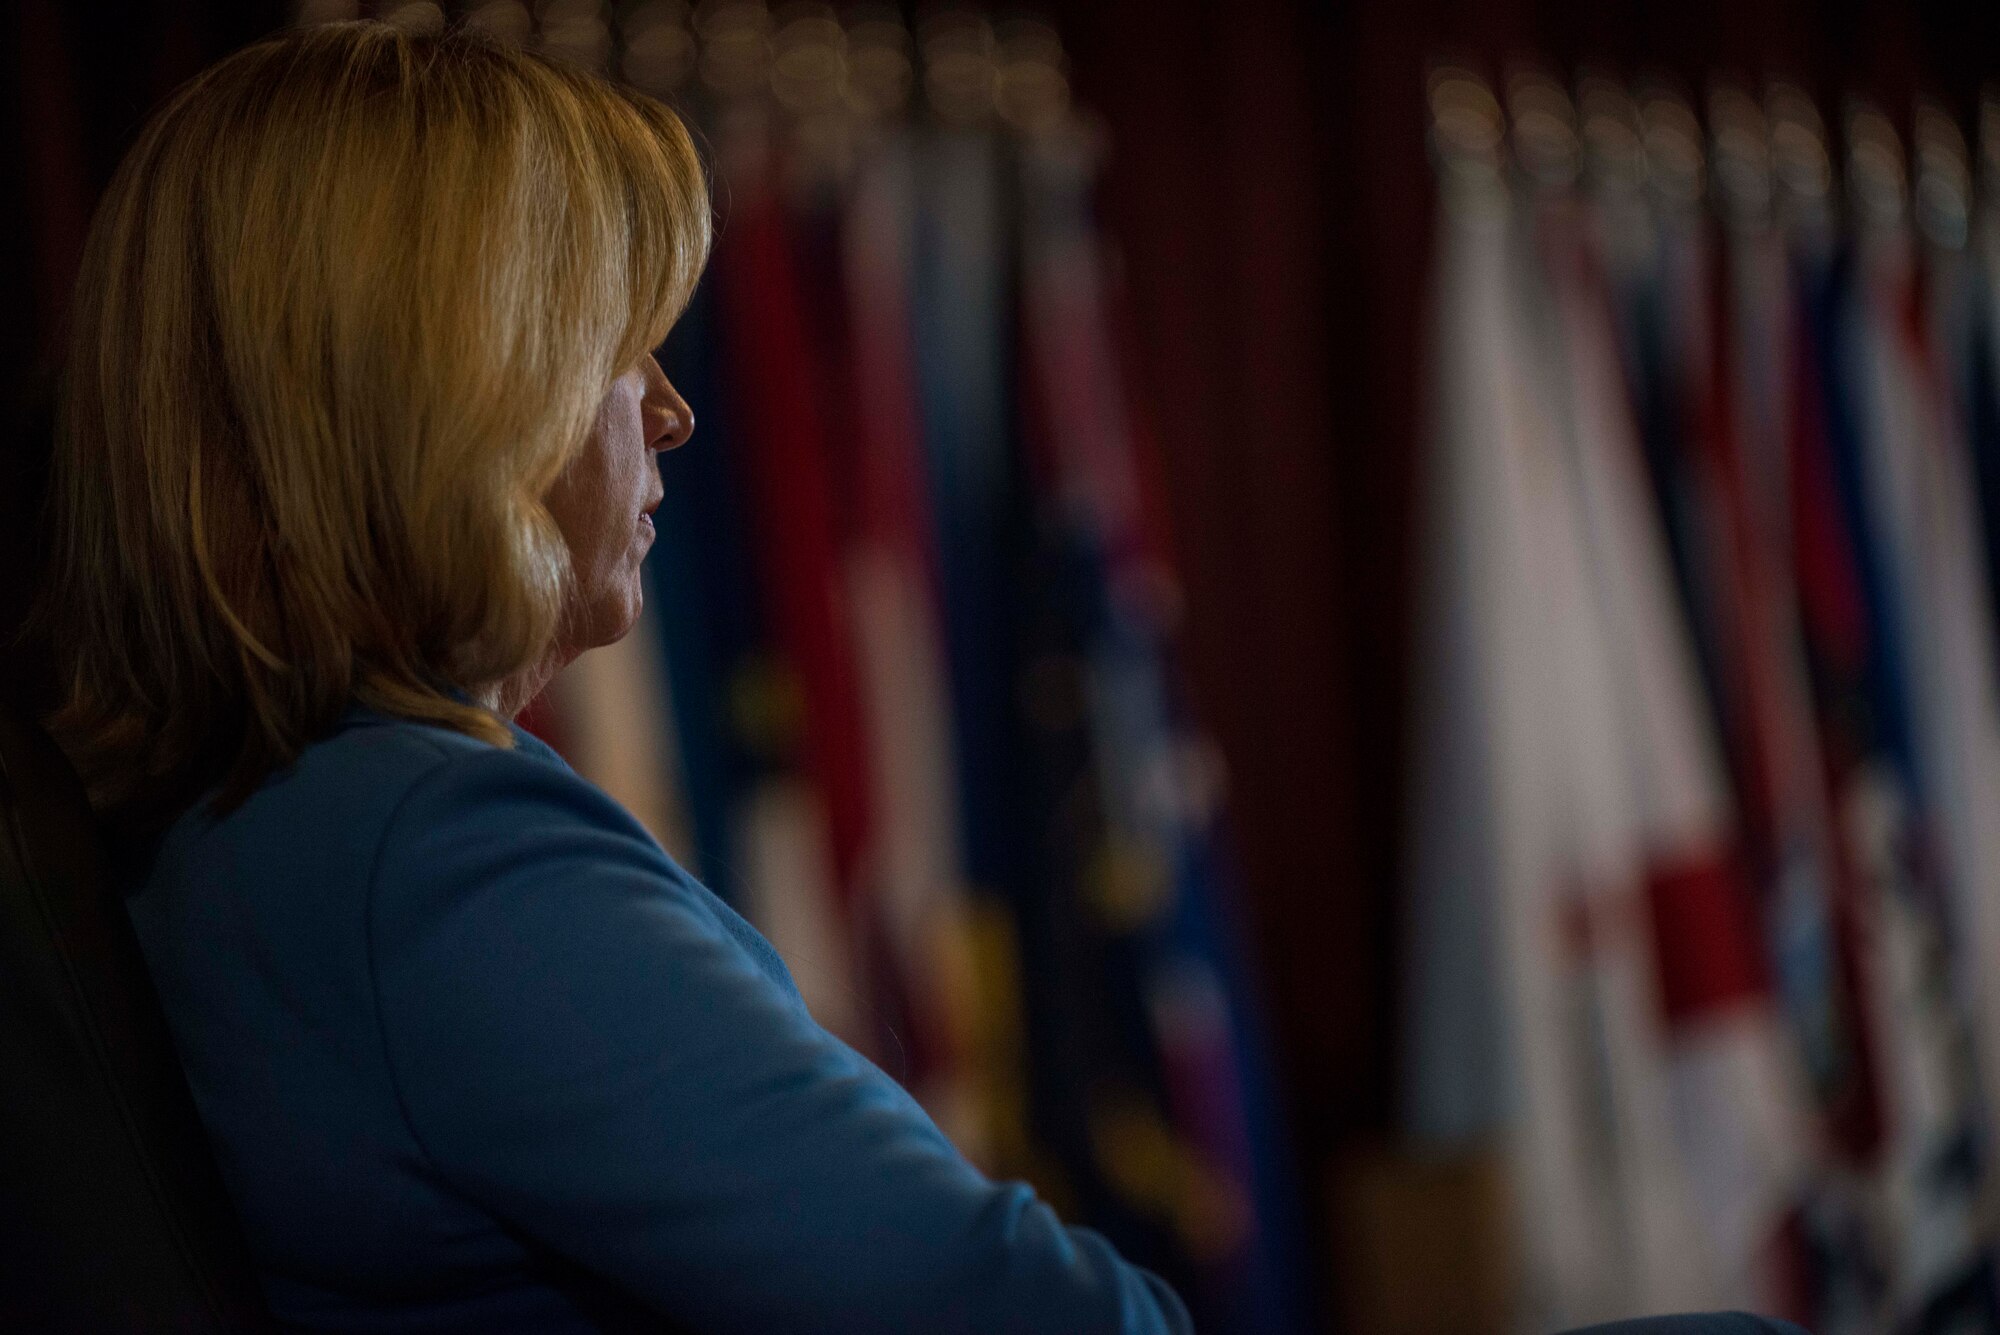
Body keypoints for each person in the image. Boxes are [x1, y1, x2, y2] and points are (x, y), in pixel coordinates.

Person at [27, 19, 1190, 1333]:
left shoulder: (225, 818)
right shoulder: (433, 859)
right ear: (458, 390)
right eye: (613, 345)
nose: (673, 408)